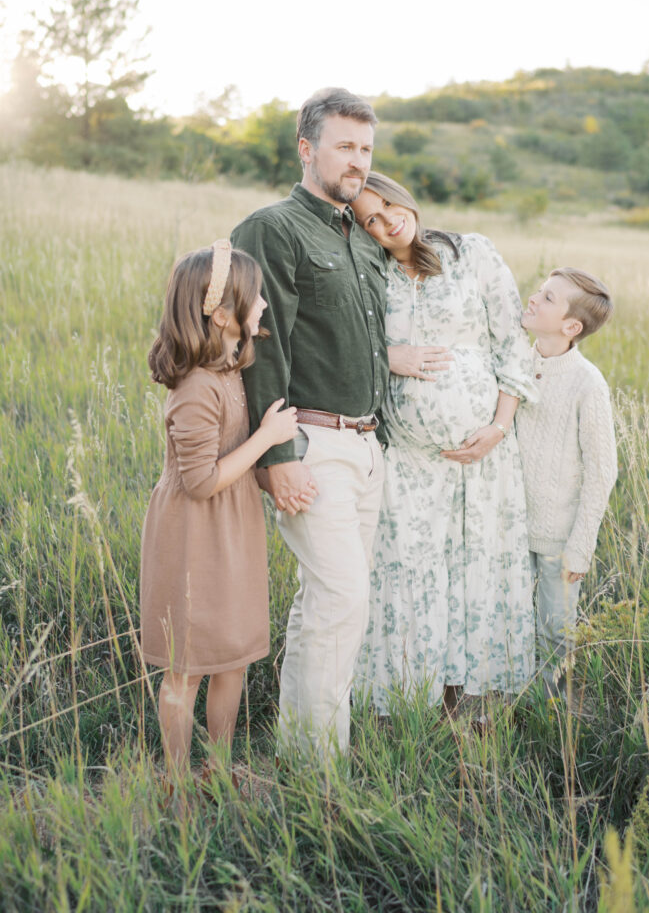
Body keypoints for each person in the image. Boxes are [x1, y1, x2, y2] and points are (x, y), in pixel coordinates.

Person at [230, 88, 387, 756]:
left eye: (366, 149)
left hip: (367, 445)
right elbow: (263, 345)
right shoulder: (273, 229)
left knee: (329, 605)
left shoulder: (358, 234)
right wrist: (279, 456)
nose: (357, 161)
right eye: (344, 146)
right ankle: (324, 773)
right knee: (342, 598)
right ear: (306, 148)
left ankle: (302, 752)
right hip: (311, 442)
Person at [350, 171, 538, 717]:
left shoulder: (472, 253)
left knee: (479, 565)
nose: (388, 221)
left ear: (402, 194)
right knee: (412, 573)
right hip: (409, 459)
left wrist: (499, 426)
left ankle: (473, 702)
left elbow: (512, 343)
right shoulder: (369, 271)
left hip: (485, 455)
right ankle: (412, 696)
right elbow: (347, 345)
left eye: (387, 205)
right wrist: (389, 357)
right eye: (371, 220)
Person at [140, 240, 298, 781]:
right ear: (224, 314)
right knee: (186, 668)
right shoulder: (196, 387)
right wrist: (268, 438)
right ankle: (179, 780)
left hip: (234, 529)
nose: (264, 308)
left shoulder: (233, 371)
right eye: (256, 299)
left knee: (234, 654)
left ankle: (220, 767)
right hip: (191, 534)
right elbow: (202, 481)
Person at [516, 267, 618, 697]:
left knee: (556, 631)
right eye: (539, 290)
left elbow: (601, 470)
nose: (534, 298)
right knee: (512, 621)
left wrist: (581, 545)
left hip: (559, 536)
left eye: (549, 298)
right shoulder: (516, 362)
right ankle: (512, 700)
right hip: (509, 526)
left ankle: (552, 714)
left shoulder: (586, 383)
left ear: (571, 326)